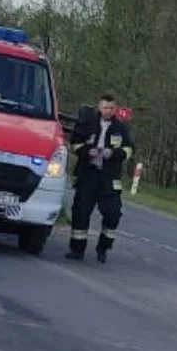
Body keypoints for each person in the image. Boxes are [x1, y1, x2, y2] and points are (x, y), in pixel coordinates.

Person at [66, 94, 135, 263]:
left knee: (113, 214)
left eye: (111, 108)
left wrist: (114, 153)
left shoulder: (120, 128)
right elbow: (74, 144)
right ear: (99, 107)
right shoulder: (87, 123)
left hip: (110, 178)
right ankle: (77, 249)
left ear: (115, 109)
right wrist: (87, 151)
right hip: (88, 174)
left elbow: (129, 149)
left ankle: (103, 248)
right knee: (81, 212)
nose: (108, 111)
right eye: (105, 107)